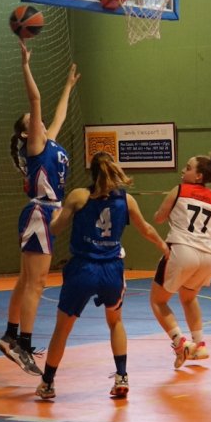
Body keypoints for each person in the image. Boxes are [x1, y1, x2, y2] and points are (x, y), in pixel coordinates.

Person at [35, 152, 170, 400]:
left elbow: (55, 229)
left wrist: (54, 213)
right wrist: (163, 246)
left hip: (83, 269)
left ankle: (47, 383)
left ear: (91, 172)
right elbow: (146, 229)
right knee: (116, 322)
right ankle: (121, 376)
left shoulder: (78, 196)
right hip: (112, 270)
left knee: (62, 330)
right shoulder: (126, 200)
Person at [0, 40, 81, 376]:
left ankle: (11, 335)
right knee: (37, 283)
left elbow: (56, 114)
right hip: (41, 212)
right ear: (26, 130)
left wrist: (68, 87)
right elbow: (36, 100)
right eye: (31, 120)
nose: (38, 120)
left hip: (45, 213)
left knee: (25, 280)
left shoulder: (50, 141)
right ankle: (24, 344)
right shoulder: (35, 143)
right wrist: (25, 66)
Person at [149, 145, 211, 368]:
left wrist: (164, 207)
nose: (183, 170)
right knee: (189, 297)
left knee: (157, 300)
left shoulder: (180, 189)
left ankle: (179, 342)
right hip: (208, 256)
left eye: (188, 168)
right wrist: (210, 244)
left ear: (199, 175)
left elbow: (159, 219)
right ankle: (200, 344)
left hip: (183, 250)